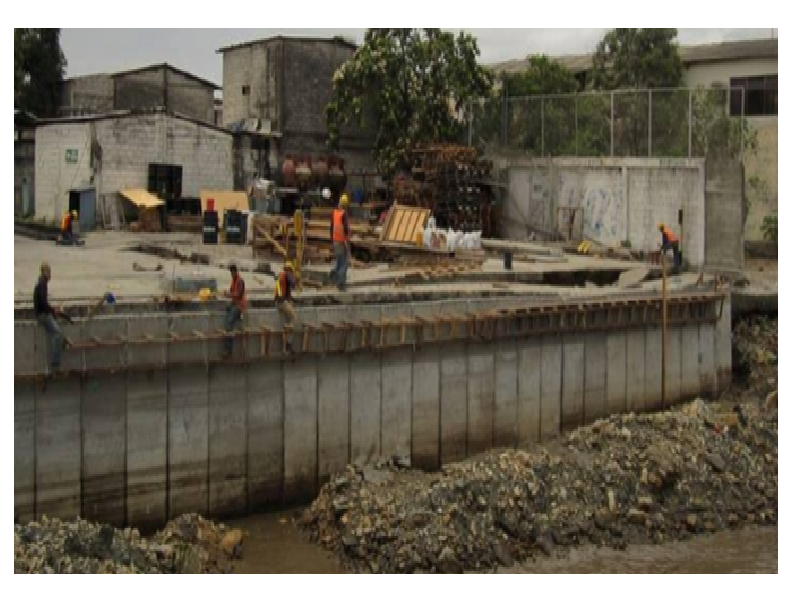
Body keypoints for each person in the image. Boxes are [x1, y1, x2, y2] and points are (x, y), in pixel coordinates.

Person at [34, 262, 65, 371]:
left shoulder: (40, 283)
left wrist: (52, 310)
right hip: (42, 315)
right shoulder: (43, 284)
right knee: (57, 333)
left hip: (41, 313)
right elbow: (43, 302)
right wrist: (52, 310)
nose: (50, 275)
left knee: (54, 324)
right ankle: (55, 362)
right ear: (45, 272)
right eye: (49, 272)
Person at [222, 264, 247, 358]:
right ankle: (237, 325)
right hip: (235, 304)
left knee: (228, 324)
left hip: (239, 305)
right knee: (227, 309)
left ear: (235, 272)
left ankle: (229, 349)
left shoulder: (240, 281)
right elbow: (232, 293)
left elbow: (238, 294)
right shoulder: (234, 280)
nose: (232, 274)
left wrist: (228, 294)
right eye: (231, 273)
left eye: (233, 272)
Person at [329, 193, 350, 291]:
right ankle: (341, 284)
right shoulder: (343, 214)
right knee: (344, 263)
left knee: (338, 260)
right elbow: (346, 228)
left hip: (335, 240)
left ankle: (335, 276)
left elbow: (331, 227)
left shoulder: (334, 213)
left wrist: (331, 241)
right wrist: (347, 239)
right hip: (342, 241)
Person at [275, 261, 297, 353]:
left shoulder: (280, 275)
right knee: (293, 318)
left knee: (284, 324)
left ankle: (284, 348)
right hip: (283, 303)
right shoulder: (288, 274)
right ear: (290, 269)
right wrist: (295, 281)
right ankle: (289, 343)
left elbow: (284, 290)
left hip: (278, 303)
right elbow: (293, 284)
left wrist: (291, 299)